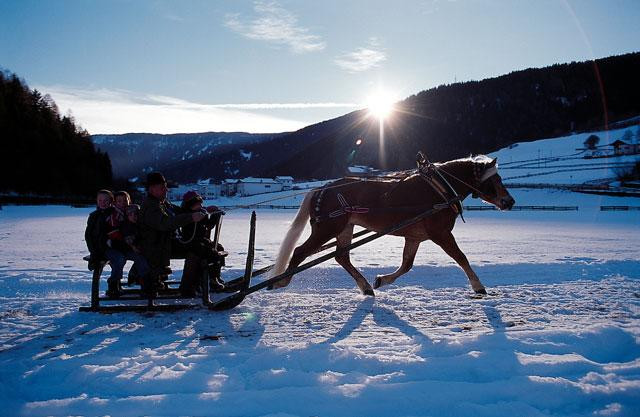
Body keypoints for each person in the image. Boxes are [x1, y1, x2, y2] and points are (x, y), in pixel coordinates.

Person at [139, 172, 205, 295]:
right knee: (197, 249)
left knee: (203, 246)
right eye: (162, 188)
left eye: (165, 187)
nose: (166, 190)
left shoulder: (161, 202)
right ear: (152, 189)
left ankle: (199, 282)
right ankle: (187, 288)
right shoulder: (150, 206)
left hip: (164, 243)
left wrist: (197, 210)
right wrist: (190, 217)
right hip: (157, 247)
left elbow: (178, 212)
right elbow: (165, 223)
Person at [177, 190, 227, 296]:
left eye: (200, 204)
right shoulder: (187, 215)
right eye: (197, 204)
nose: (200, 206)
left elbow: (208, 225)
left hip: (201, 240)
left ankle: (215, 276)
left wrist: (215, 215)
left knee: (219, 247)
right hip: (191, 242)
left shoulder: (200, 213)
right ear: (190, 205)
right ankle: (210, 279)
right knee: (212, 252)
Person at [84, 189, 114, 271]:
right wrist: (92, 250)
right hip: (97, 248)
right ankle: (95, 260)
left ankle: (115, 280)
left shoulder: (114, 214)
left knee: (116, 261)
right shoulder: (94, 216)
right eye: (100, 200)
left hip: (112, 247)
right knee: (97, 262)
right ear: (97, 201)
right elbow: (88, 235)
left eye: (106, 200)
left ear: (111, 201)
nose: (103, 202)